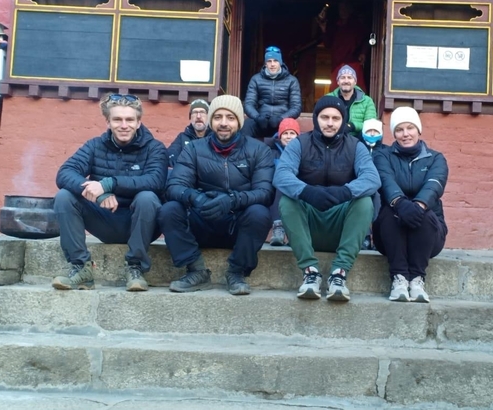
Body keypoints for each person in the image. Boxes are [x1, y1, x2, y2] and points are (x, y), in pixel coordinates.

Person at [158, 95, 275, 296]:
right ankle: (196, 271)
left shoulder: (259, 150)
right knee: (169, 210)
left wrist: (233, 200)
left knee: (260, 213)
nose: (223, 123)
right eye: (218, 117)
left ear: (238, 121)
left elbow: (265, 193)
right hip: (201, 220)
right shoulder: (194, 149)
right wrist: (195, 197)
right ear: (211, 120)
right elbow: (174, 186)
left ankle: (236, 273)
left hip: (237, 228)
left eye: (230, 118)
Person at [52, 94, 167, 292]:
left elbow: (155, 181)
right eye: (117, 120)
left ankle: (135, 268)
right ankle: (81, 269)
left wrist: (108, 184)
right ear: (108, 122)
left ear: (139, 122)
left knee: (147, 197)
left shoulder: (155, 148)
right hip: (104, 219)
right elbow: (65, 173)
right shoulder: (95, 145)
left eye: (130, 120)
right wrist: (99, 194)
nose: (124, 125)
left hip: (141, 222)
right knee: (64, 196)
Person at [273, 96, 381, 302]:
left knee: (364, 201)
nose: (330, 123)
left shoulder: (355, 146)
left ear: (343, 121)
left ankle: (339, 273)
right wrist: (307, 191)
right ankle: (310, 272)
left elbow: (372, 178)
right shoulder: (299, 143)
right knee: (288, 200)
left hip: (342, 228)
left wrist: (345, 192)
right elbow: (282, 174)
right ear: (316, 118)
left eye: (335, 118)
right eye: (324, 117)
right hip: (309, 226)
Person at [372, 107, 448, 303]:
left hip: (429, 233)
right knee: (390, 214)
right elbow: (386, 180)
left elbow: (434, 185)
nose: (405, 134)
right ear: (394, 133)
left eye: (410, 128)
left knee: (425, 215)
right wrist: (399, 203)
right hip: (390, 233)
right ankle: (399, 278)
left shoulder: (436, 158)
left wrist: (419, 205)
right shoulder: (383, 156)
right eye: (399, 129)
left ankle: (416, 278)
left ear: (419, 130)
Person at [243, 46, 302, 139]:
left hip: (283, 121)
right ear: (265, 63)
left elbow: (296, 107)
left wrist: (281, 118)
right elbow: (248, 104)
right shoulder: (256, 79)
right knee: (247, 124)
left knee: (291, 126)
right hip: (261, 120)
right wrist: (258, 117)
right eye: (269, 61)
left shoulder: (292, 80)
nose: (272, 64)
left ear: (280, 62)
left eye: (275, 61)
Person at [317, 1, 369, 91]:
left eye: (345, 9)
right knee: (336, 92)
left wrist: (363, 53)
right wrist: (324, 29)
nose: (343, 11)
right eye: (341, 9)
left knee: (356, 91)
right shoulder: (335, 26)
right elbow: (328, 44)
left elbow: (366, 39)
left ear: (350, 10)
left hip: (353, 62)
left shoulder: (357, 25)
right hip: (337, 64)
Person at [268, 117, 301, 246]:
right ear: (279, 136)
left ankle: (295, 234)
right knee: (279, 185)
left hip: (298, 186)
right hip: (278, 188)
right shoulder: (271, 152)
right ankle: (278, 228)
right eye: (285, 133)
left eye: (292, 133)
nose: (288, 136)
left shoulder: (303, 150)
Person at [361, 118, 385, 250]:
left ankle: (377, 237)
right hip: (361, 186)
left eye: (375, 131)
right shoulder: (357, 148)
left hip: (379, 188)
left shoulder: (385, 151)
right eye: (369, 130)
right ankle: (364, 236)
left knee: (378, 199)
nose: (371, 134)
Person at [167, 98, 212, 167]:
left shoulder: (214, 137)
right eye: (195, 112)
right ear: (190, 117)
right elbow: (171, 154)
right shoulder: (182, 137)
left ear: (208, 117)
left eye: (202, 112)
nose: (198, 116)